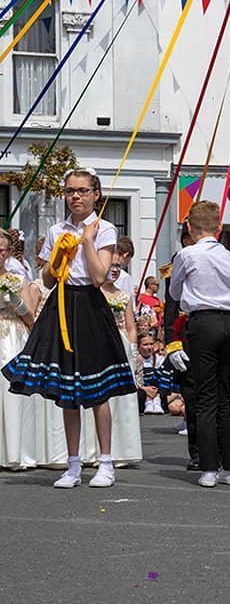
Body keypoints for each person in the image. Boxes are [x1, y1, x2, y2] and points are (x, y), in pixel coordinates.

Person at [3, 168, 137, 488]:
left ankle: (105, 463)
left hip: (89, 306)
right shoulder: (56, 230)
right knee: (67, 388)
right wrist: (57, 258)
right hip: (61, 303)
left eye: (82, 190)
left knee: (97, 390)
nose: (75, 196)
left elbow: (99, 276)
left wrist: (87, 242)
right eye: (70, 191)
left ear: (95, 194)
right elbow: (48, 279)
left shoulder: (104, 229)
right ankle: (73, 464)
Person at [169, 201, 230, 488]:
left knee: (204, 397)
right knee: (222, 395)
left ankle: (208, 467)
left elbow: (175, 291)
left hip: (202, 321)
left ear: (190, 228)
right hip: (229, 322)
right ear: (219, 227)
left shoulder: (187, 254)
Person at [97, 255, 144, 465]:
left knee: (122, 399)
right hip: (99, 342)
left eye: (118, 266)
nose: (115, 269)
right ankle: (96, 449)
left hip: (121, 344)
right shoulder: (94, 293)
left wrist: (133, 350)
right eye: (112, 265)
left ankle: (123, 449)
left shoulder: (124, 295)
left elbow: (131, 325)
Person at [0, 228, 39, 469]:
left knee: (10, 392)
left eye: (2, 250)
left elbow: (31, 318)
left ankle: (16, 451)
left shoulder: (17, 279)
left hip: (13, 335)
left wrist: (15, 302)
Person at [163, 224, 199, 469]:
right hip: (184, 332)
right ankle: (198, 453)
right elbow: (171, 306)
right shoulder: (178, 263)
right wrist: (172, 344)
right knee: (192, 395)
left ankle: (221, 455)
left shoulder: (221, 257)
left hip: (213, 332)